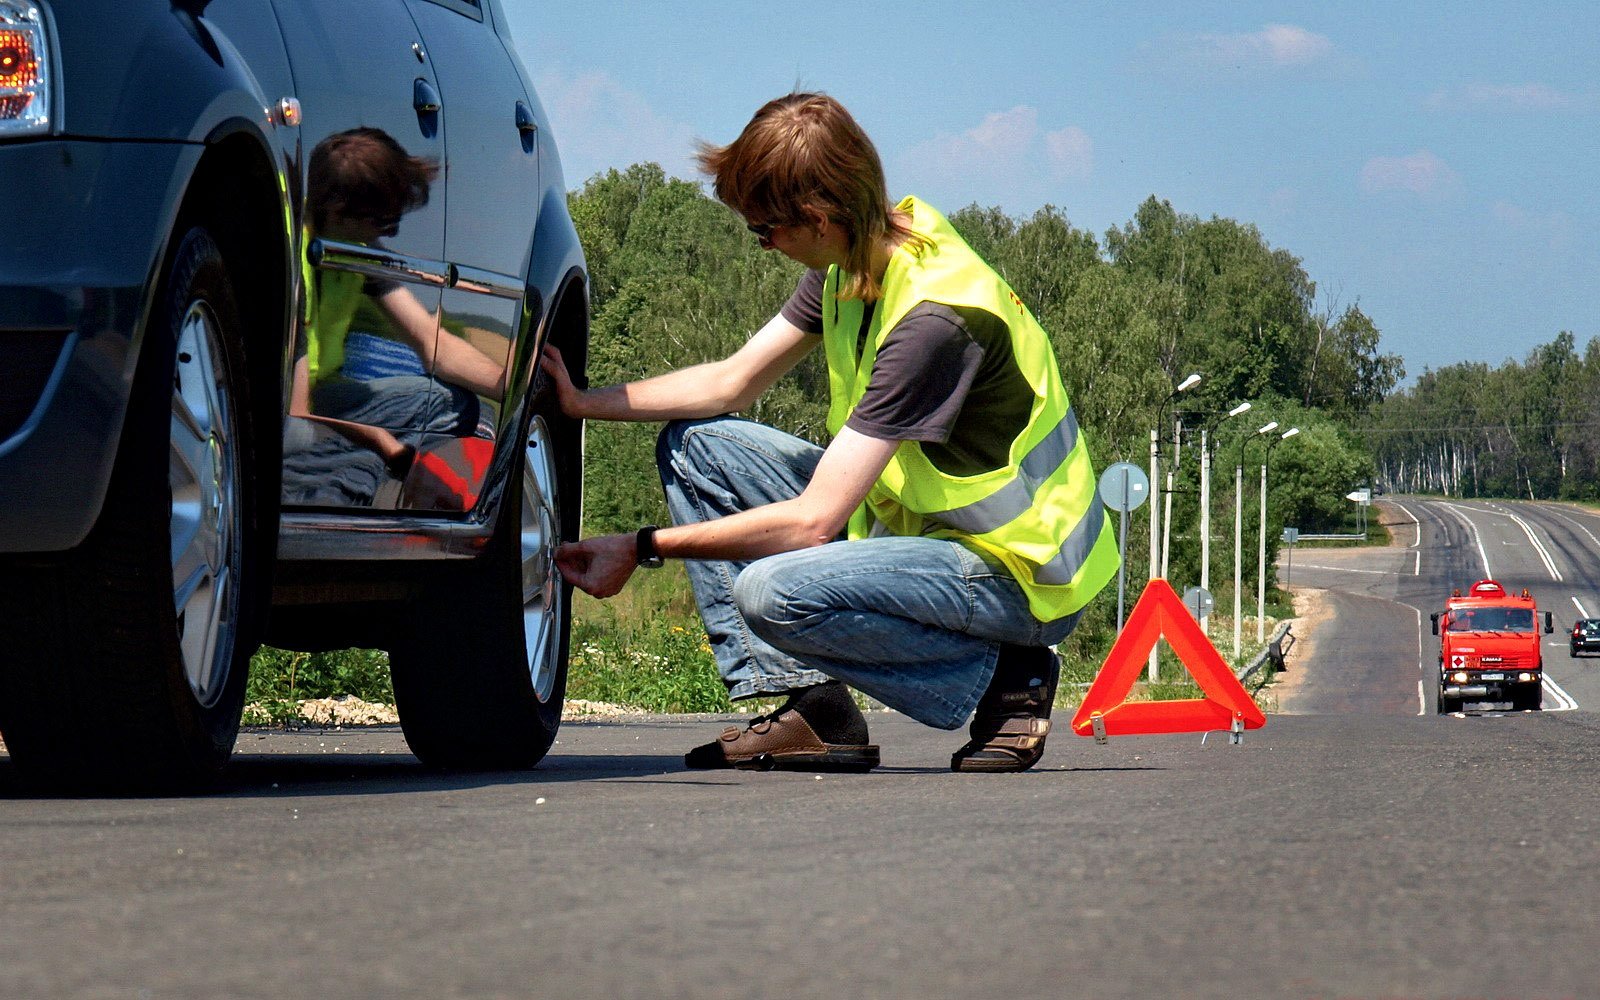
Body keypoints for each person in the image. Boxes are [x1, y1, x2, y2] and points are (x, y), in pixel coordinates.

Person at [541, 92, 1118, 773]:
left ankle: (1007, 678)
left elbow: (814, 522)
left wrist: (640, 548)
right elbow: (731, 381)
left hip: (1018, 577)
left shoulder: (934, 321)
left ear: (814, 218)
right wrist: (583, 402)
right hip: (928, 540)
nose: (764, 247)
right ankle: (818, 714)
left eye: (764, 231)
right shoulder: (856, 261)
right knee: (699, 447)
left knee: (772, 592)